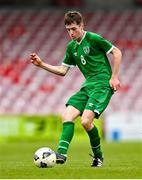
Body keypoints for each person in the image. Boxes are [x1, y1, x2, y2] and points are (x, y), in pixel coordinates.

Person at [30, 11, 122, 167]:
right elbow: (62, 71)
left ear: (81, 26)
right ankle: (62, 154)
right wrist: (41, 64)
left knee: (86, 122)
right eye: (68, 30)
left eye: (74, 29)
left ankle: (98, 157)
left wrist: (114, 77)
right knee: (67, 116)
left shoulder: (93, 38)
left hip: (102, 85)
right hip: (87, 86)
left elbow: (117, 52)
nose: (71, 33)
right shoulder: (71, 47)